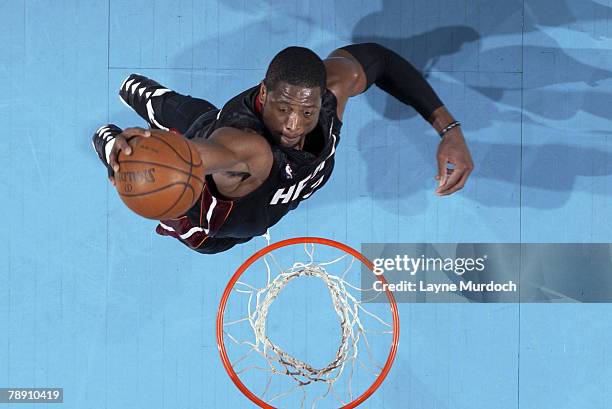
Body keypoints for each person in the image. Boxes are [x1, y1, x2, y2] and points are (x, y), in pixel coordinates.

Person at [93, 43, 474, 254]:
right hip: (211, 220)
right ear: (264, 94)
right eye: (283, 109)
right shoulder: (247, 149)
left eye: (306, 112)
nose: (293, 124)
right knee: (185, 128)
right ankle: (112, 140)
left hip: (247, 183)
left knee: (196, 113)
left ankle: (141, 95)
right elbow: (197, 154)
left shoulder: (331, 93)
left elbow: (379, 59)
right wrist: (142, 158)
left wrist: (449, 129)